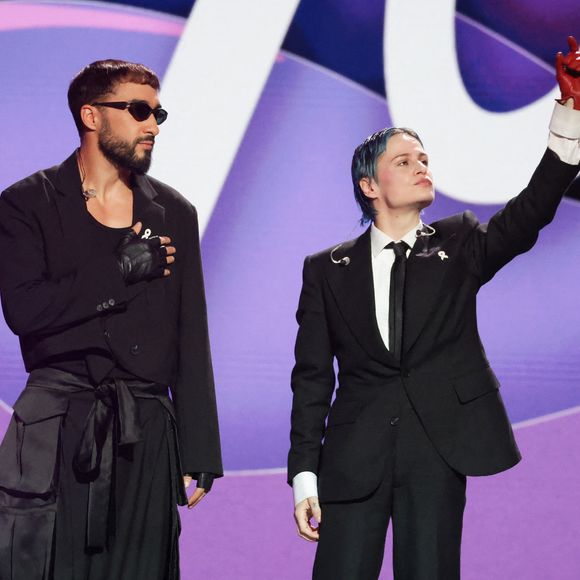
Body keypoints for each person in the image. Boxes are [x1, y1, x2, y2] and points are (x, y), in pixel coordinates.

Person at [288, 37, 580, 579]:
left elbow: (530, 213)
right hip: (353, 460)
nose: (422, 166)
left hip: (437, 450)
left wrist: (571, 116)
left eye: (424, 158)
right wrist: (305, 474)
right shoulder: (326, 269)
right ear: (370, 184)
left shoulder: (461, 243)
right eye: (404, 160)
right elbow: (310, 381)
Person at [0, 59, 222, 579]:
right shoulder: (26, 203)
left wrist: (201, 445)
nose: (153, 125)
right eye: (139, 110)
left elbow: (191, 331)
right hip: (57, 425)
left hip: (145, 429)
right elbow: (25, 310)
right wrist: (117, 272)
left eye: (158, 113)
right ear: (91, 115)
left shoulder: (173, 211)